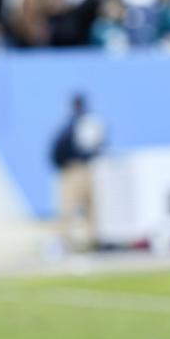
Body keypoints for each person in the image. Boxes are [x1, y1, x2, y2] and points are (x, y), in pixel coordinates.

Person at [50, 94, 107, 252]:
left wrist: (61, 163)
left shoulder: (77, 124)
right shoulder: (89, 123)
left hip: (77, 169)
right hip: (84, 168)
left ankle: (83, 241)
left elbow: (59, 148)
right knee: (85, 208)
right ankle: (85, 241)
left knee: (74, 207)